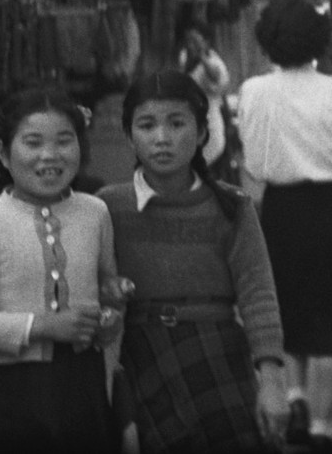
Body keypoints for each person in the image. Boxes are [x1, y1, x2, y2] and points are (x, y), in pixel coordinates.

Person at [100, 70, 289, 453]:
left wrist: (271, 381)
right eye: (146, 125)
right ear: (129, 134)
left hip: (217, 355)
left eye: (177, 123)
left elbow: (258, 294)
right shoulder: (105, 207)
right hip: (136, 357)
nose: (162, 138)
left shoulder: (232, 205)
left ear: (203, 132)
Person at [237, 0, 332, 452]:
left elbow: (253, 159)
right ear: (321, 42)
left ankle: (296, 396)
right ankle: (321, 427)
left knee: (290, 309)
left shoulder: (254, 91)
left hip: (279, 209)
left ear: (266, 42)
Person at [0, 86, 122, 454]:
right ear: (4, 153)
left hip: (82, 387)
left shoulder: (95, 212)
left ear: (80, 148)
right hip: (10, 393)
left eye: (64, 141)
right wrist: (42, 325)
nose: (49, 156)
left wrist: (109, 315)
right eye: (33, 142)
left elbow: (106, 290)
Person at [177, 27, 232, 177]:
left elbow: (218, 80)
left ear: (205, 42)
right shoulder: (184, 58)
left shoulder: (212, 61)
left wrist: (202, 57)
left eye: (196, 40)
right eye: (189, 40)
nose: (191, 44)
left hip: (210, 120)